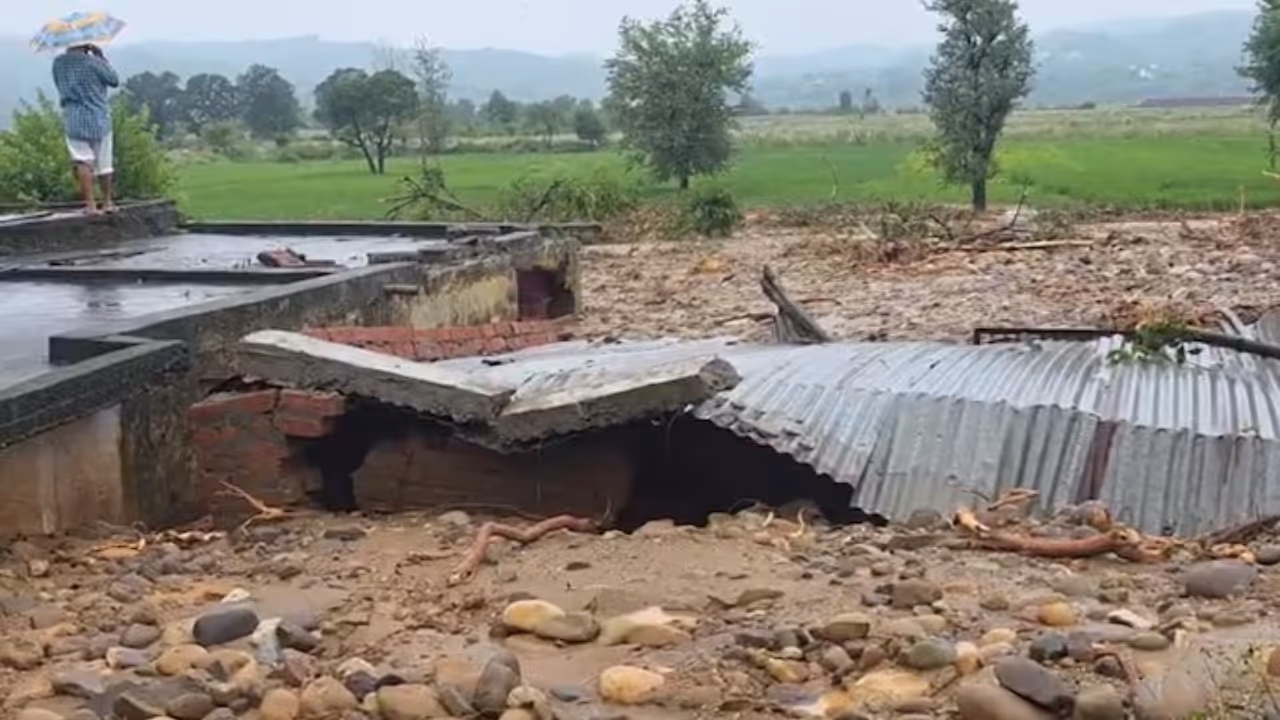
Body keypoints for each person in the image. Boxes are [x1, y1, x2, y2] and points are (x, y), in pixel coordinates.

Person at [51, 43, 119, 215]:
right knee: (104, 163)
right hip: (99, 117)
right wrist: (101, 57)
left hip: (73, 118)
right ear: (85, 44)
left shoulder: (58, 64)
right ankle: (107, 202)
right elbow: (114, 80)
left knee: (82, 162)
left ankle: (90, 205)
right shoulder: (93, 62)